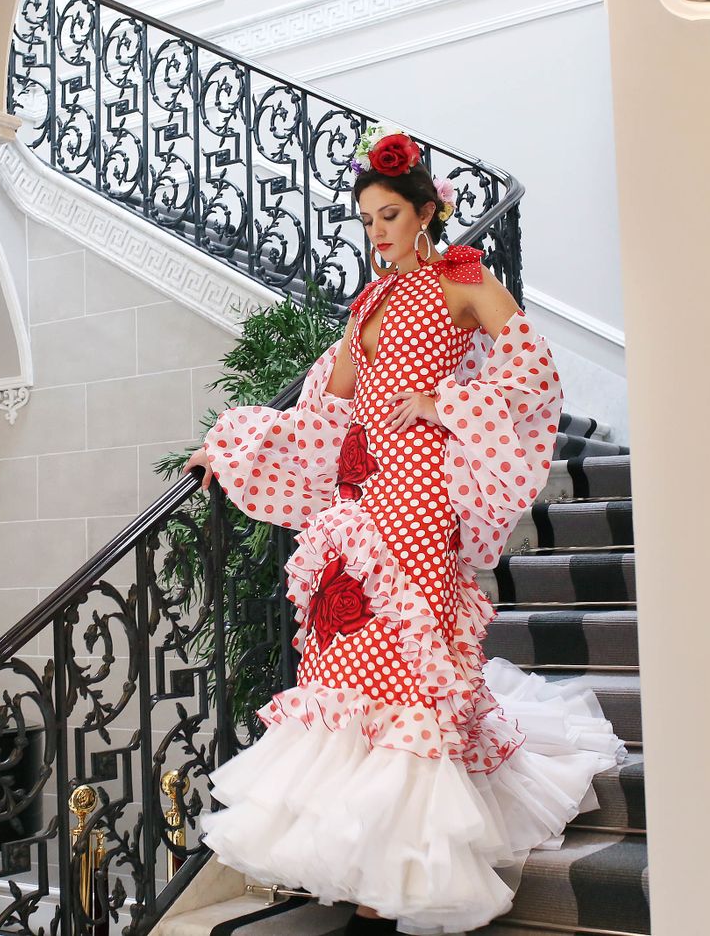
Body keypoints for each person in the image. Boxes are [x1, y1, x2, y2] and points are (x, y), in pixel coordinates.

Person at [181, 126, 623, 935]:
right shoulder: (370, 303)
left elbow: (533, 373)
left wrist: (443, 403)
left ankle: (407, 868)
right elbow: (330, 404)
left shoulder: (461, 281)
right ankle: (363, 857)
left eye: (390, 215)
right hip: (360, 495)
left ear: (426, 214)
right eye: (368, 218)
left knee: (404, 664)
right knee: (346, 657)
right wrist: (233, 446)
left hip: (420, 493)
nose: (377, 230)